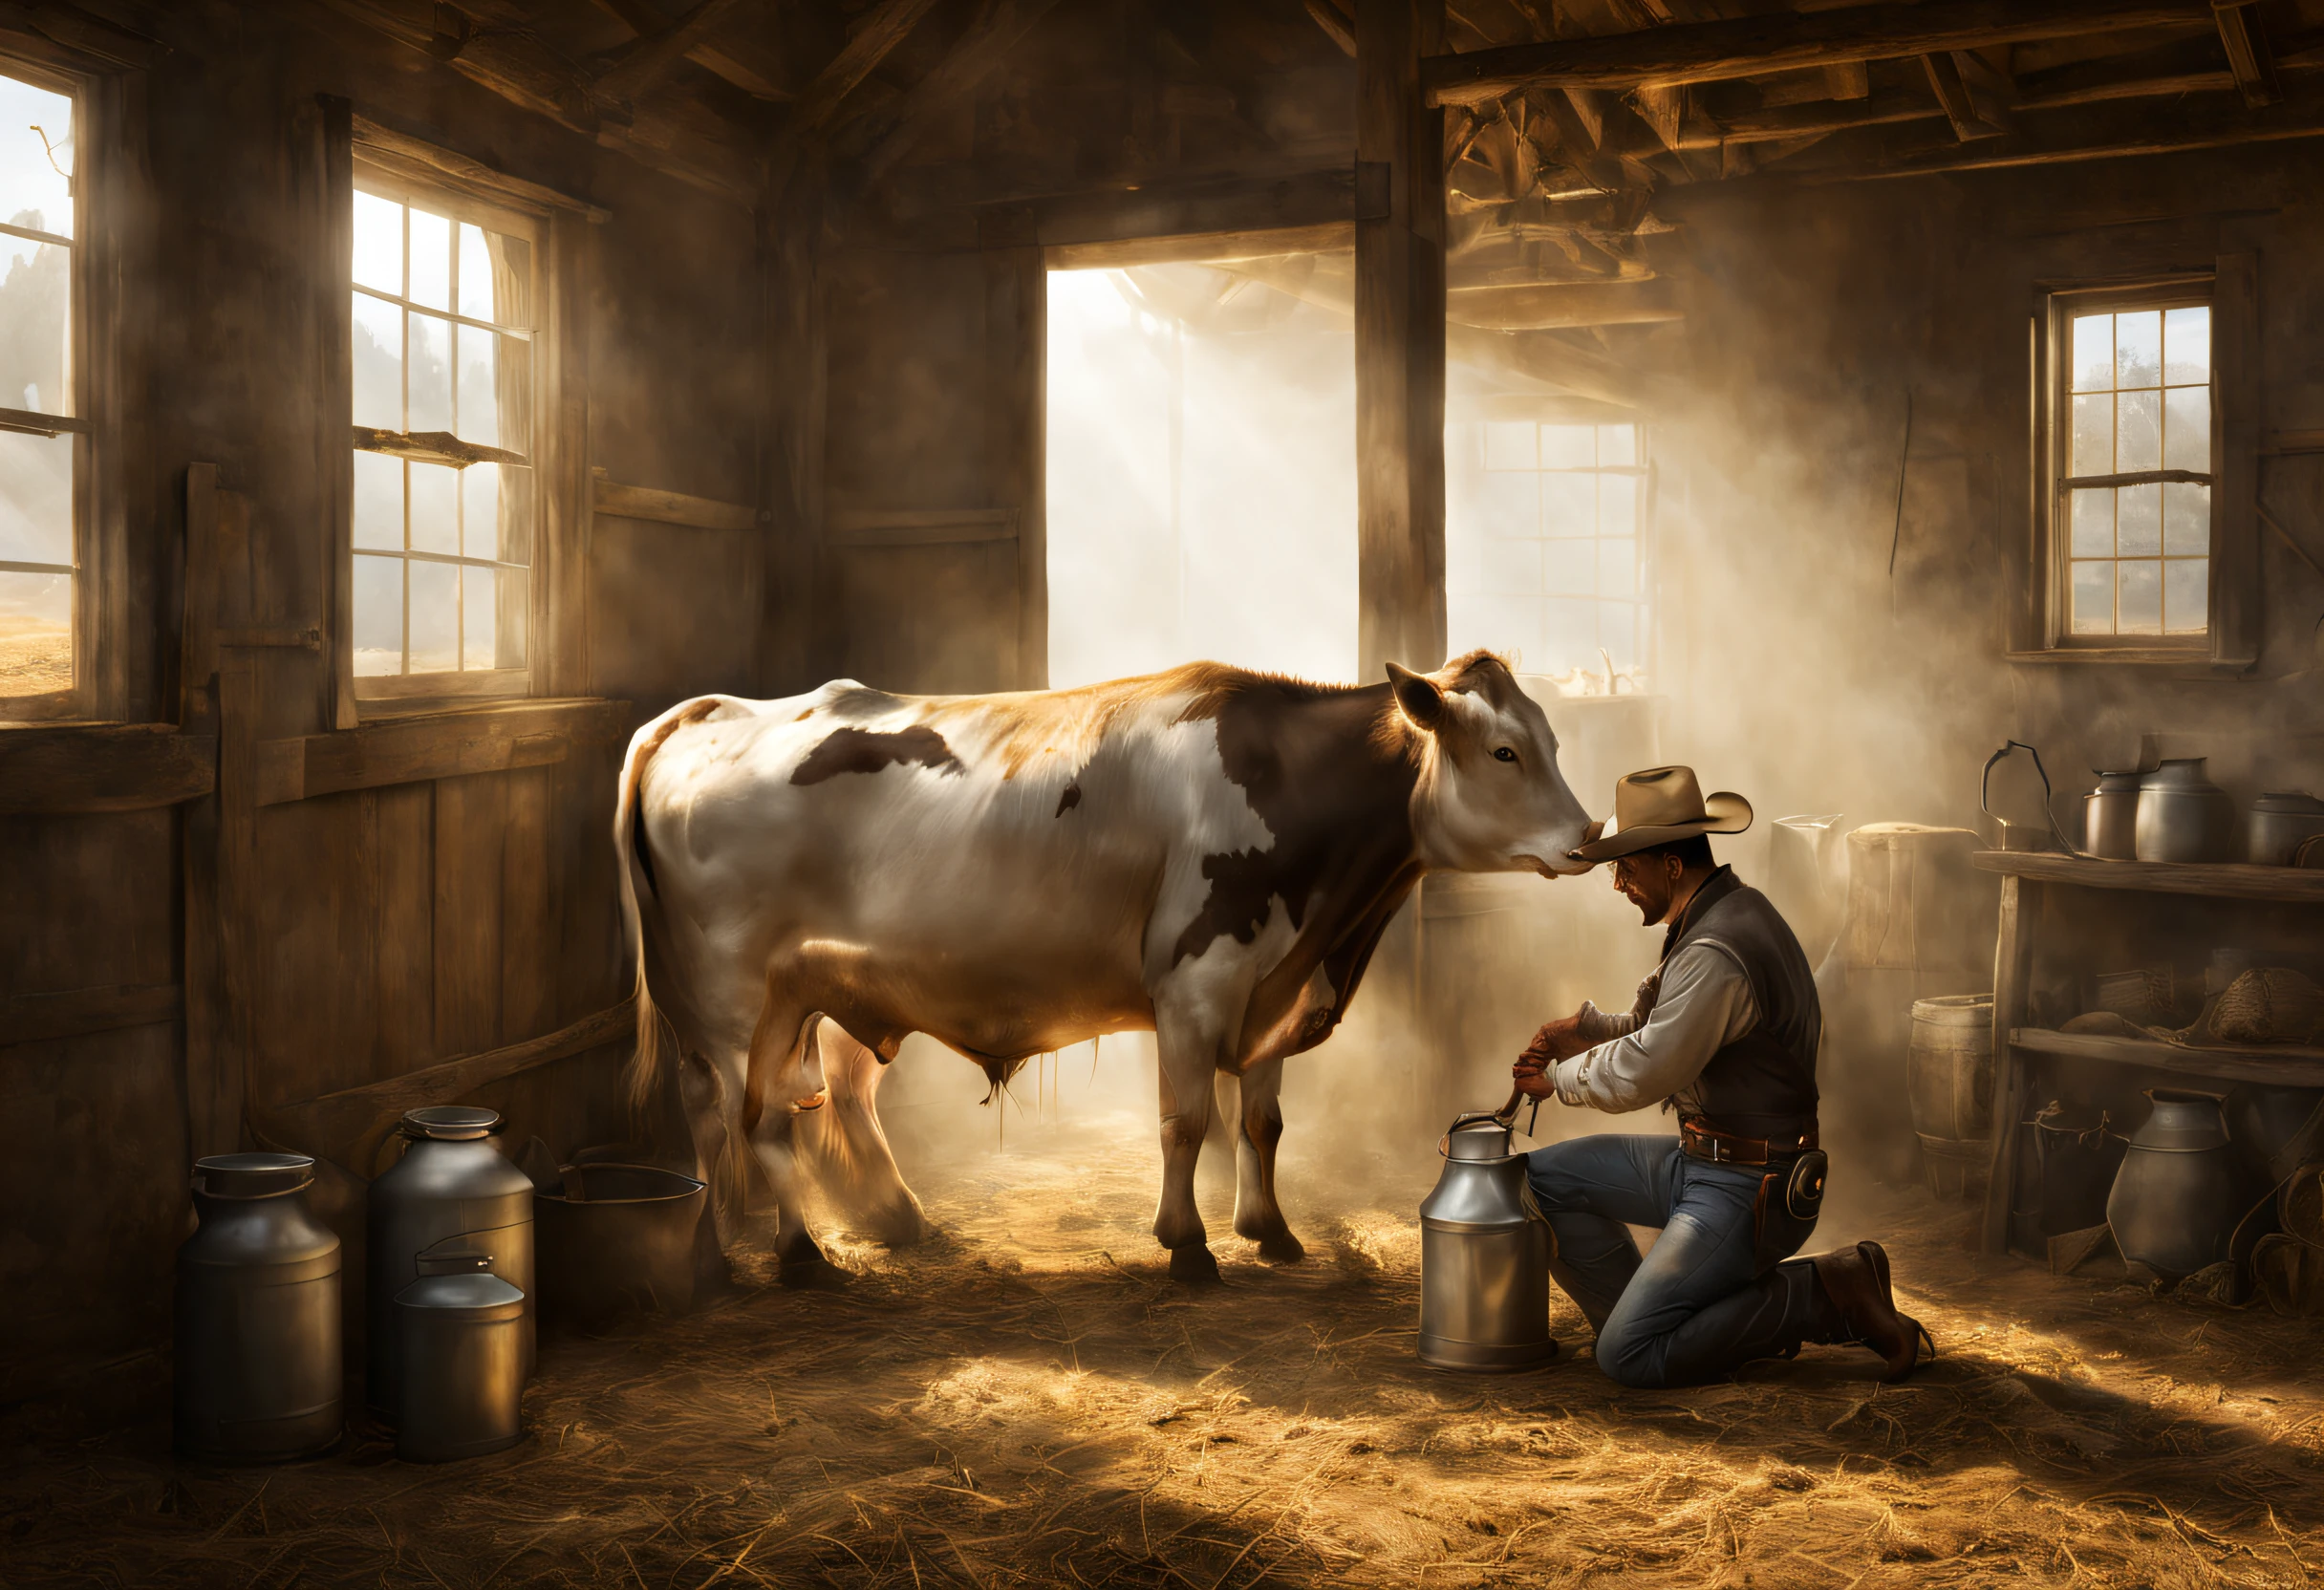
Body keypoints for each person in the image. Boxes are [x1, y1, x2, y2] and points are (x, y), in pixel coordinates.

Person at [1512, 764, 1933, 1388]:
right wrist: (1587, 1027)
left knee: (1626, 1357)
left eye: (1627, 866)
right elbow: (1654, 1024)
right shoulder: (1720, 914)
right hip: (1700, 1165)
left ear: (1671, 866)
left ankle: (1826, 1291)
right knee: (1539, 1183)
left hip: (1749, 1184)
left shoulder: (1716, 950)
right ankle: (1659, 1320)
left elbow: (1651, 1067)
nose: (1618, 883)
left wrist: (1561, 1082)